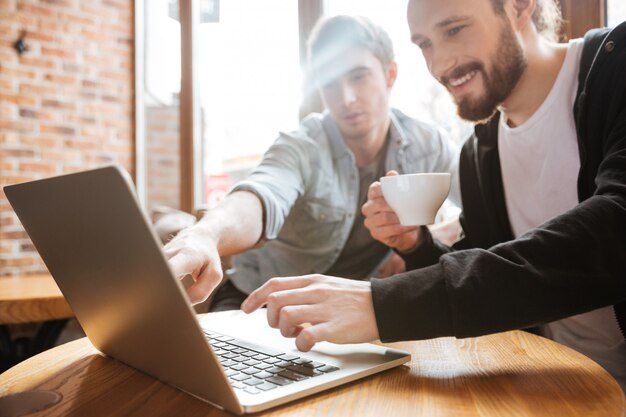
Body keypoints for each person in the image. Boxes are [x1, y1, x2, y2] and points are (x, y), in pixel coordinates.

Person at [241, 0, 626, 391]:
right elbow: (493, 285)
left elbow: (614, 232)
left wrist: (381, 304)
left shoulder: (617, 66)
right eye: (425, 44)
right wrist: (417, 245)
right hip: (560, 386)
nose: (440, 65)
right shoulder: (480, 155)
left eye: (454, 29)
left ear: (519, 6)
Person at [164, 15, 460, 311]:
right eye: (330, 83)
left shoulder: (428, 145)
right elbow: (261, 194)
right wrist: (205, 234)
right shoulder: (302, 145)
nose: (346, 98)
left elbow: (483, 205)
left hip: (348, 309)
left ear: (390, 74)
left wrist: (422, 240)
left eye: (358, 76)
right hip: (257, 299)